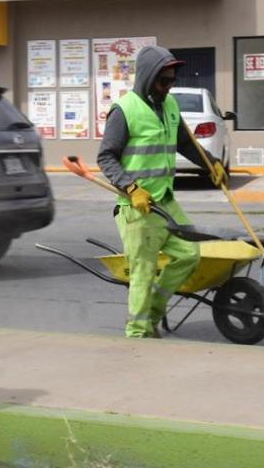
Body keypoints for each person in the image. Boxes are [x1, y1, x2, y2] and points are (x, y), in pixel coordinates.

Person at [97, 45, 227, 339]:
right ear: (147, 78)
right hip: (138, 208)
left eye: (172, 81)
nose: (168, 87)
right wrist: (131, 188)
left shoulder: (169, 106)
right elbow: (106, 157)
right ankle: (138, 332)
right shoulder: (125, 110)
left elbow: (185, 142)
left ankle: (154, 310)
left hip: (166, 202)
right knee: (142, 271)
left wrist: (212, 164)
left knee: (189, 255)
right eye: (163, 81)